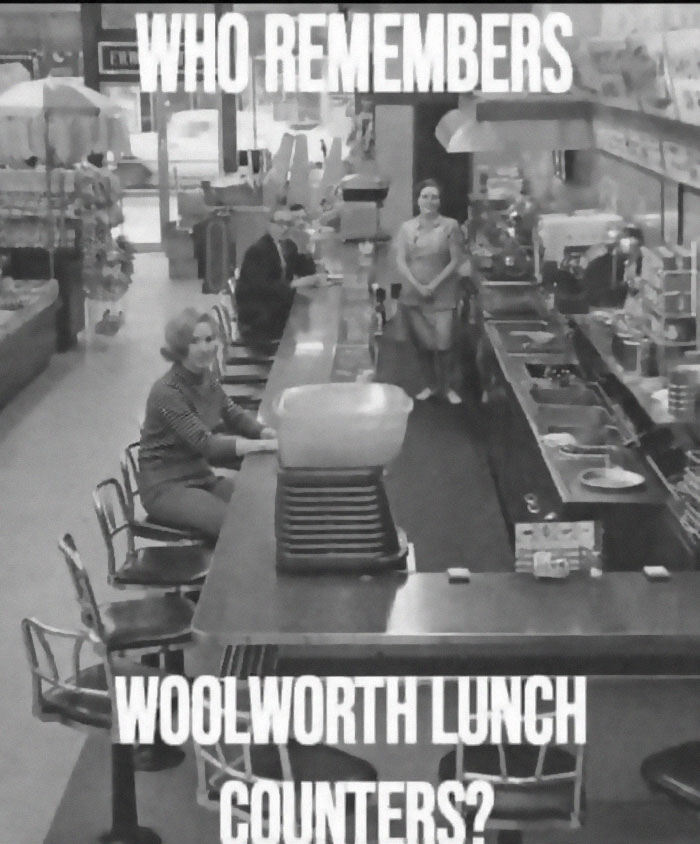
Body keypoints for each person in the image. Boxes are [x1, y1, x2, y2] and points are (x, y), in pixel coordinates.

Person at [138, 308, 278, 542]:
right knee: (233, 526)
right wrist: (261, 446)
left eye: (209, 339)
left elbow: (232, 413)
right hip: (166, 487)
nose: (205, 348)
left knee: (260, 506)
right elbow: (206, 444)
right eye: (194, 341)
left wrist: (265, 431)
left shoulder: (206, 377)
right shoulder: (167, 391)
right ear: (180, 347)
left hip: (200, 476)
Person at [394, 179, 465, 404]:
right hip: (413, 293)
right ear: (417, 200)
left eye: (434, 197)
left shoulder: (450, 226)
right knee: (423, 346)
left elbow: (455, 260)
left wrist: (434, 285)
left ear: (440, 201)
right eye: (425, 196)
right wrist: (417, 285)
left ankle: (447, 387)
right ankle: (431, 385)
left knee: (444, 344)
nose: (430, 201)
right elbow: (401, 261)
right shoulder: (407, 228)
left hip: (443, 292)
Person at [235, 207, 324, 341]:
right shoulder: (258, 251)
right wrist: (293, 284)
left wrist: (305, 247)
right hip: (259, 316)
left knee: (313, 321)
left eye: (288, 224)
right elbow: (261, 288)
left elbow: (307, 270)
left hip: (278, 307)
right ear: (270, 225)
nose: (284, 228)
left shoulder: (288, 246)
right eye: (280, 223)